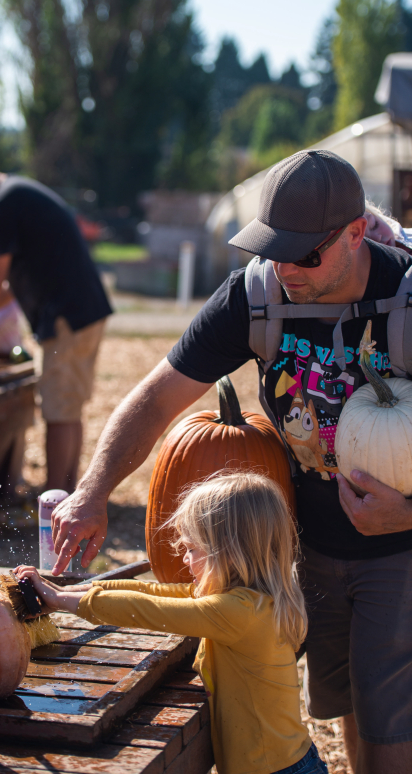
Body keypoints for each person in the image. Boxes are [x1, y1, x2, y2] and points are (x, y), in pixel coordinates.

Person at [51, 149, 412, 774]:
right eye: (271, 248)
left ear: (357, 234)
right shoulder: (256, 299)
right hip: (309, 551)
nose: (284, 267)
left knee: (392, 725)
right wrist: (92, 491)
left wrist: (407, 513)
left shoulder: (405, 299)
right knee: (353, 705)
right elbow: (157, 398)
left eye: (305, 253)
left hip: (399, 550)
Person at [16, 472, 328, 774]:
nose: (184, 558)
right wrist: (71, 591)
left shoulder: (238, 613)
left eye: (192, 549)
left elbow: (149, 609)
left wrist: (61, 602)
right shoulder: (251, 601)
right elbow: (153, 591)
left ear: (228, 554)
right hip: (287, 763)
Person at [0, 160, 112, 493]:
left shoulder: (3, 204)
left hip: (65, 314)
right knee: (68, 408)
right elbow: (6, 289)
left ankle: (56, 501)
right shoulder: (19, 192)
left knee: (58, 410)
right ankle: (67, 493)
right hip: (82, 309)